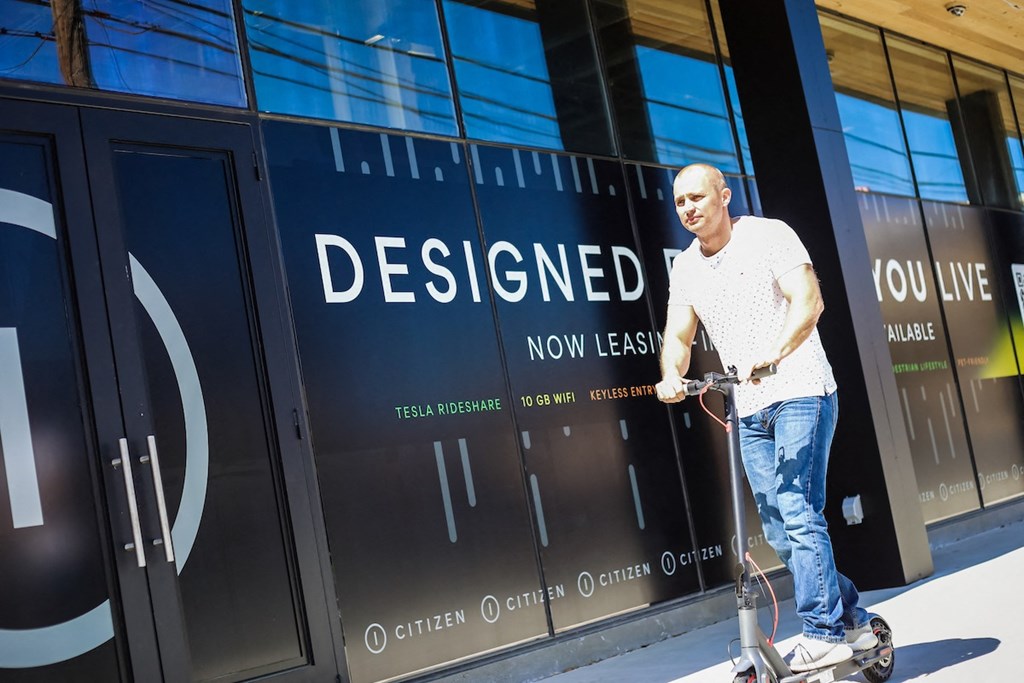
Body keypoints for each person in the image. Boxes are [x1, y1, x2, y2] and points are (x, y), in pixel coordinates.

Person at [654, 163, 878, 673]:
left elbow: (809, 301)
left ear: (724, 195)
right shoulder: (686, 267)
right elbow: (679, 337)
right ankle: (854, 620)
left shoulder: (769, 235)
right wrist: (671, 374)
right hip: (748, 406)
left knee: (799, 508)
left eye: (697, 197)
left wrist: (776, 354)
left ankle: (822, 633)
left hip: (801, 388)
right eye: (680, 202)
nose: (688, 208)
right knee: (779, 532)